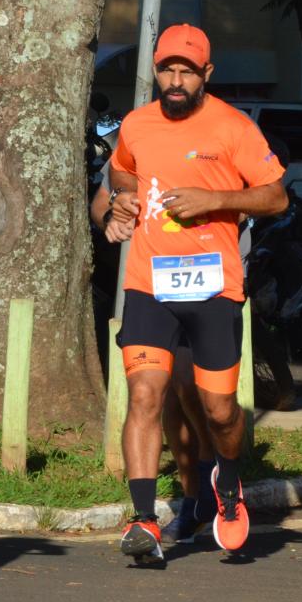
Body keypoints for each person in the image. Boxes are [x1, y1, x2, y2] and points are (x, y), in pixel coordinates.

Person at [108, 24, 287, 564]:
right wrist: (122, 201)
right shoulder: (136, 124)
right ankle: (143, 519)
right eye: (167, 69)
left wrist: (214, 200)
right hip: (149, 283)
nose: (176, 80)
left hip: (213, 288)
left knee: (220, 411)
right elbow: (122, 175)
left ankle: (227, 483)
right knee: (146, 395)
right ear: (155, 70)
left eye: (187, 71)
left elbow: (276, 197)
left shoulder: (233, 127)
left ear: (206, 73)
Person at [89, 182, 219, 543]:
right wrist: (111, 215)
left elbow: (261, 199)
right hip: (153, 283)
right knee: (156, 394)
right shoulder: (134, 148)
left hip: (211, 274)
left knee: (194, 390)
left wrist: (211, 201)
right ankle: (183, 504)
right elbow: (103, 199)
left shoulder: (223, 144)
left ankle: (217, 477)